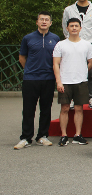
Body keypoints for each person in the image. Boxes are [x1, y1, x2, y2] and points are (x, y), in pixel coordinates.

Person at [15, 12, 60, 150]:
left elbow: (57, 58)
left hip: (48, 78)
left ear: (50, 23)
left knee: (46, 109)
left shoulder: (55, 38)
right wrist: (30, 70)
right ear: (37, 22)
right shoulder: (28, 38)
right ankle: (26, 138)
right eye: (41, 19)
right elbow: (22, 57)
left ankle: (42, 136)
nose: (44, 22)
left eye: (47, 20)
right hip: (31, 79)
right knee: (28, 109)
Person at [53, 17, 92, 146]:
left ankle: (78, 135)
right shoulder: (60, 44)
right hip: (65, 81)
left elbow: (91, 61)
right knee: (65, 108)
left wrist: (83, 71)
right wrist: (58, 81)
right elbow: (56, 64)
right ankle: (64, 135)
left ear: (80, 28)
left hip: (81, 81)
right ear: (67, 28)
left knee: (79, 108)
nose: (74, 28)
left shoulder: (86, 44)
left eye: (76, 26)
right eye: (71, 26)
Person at [62, 0, 92, 104]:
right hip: (73, 43)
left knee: (91, 72)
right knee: (73, 69)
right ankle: (73, 98)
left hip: (89, 43)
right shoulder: (69, 10)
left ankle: (91, 97)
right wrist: (70, 39)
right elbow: (65, 27)